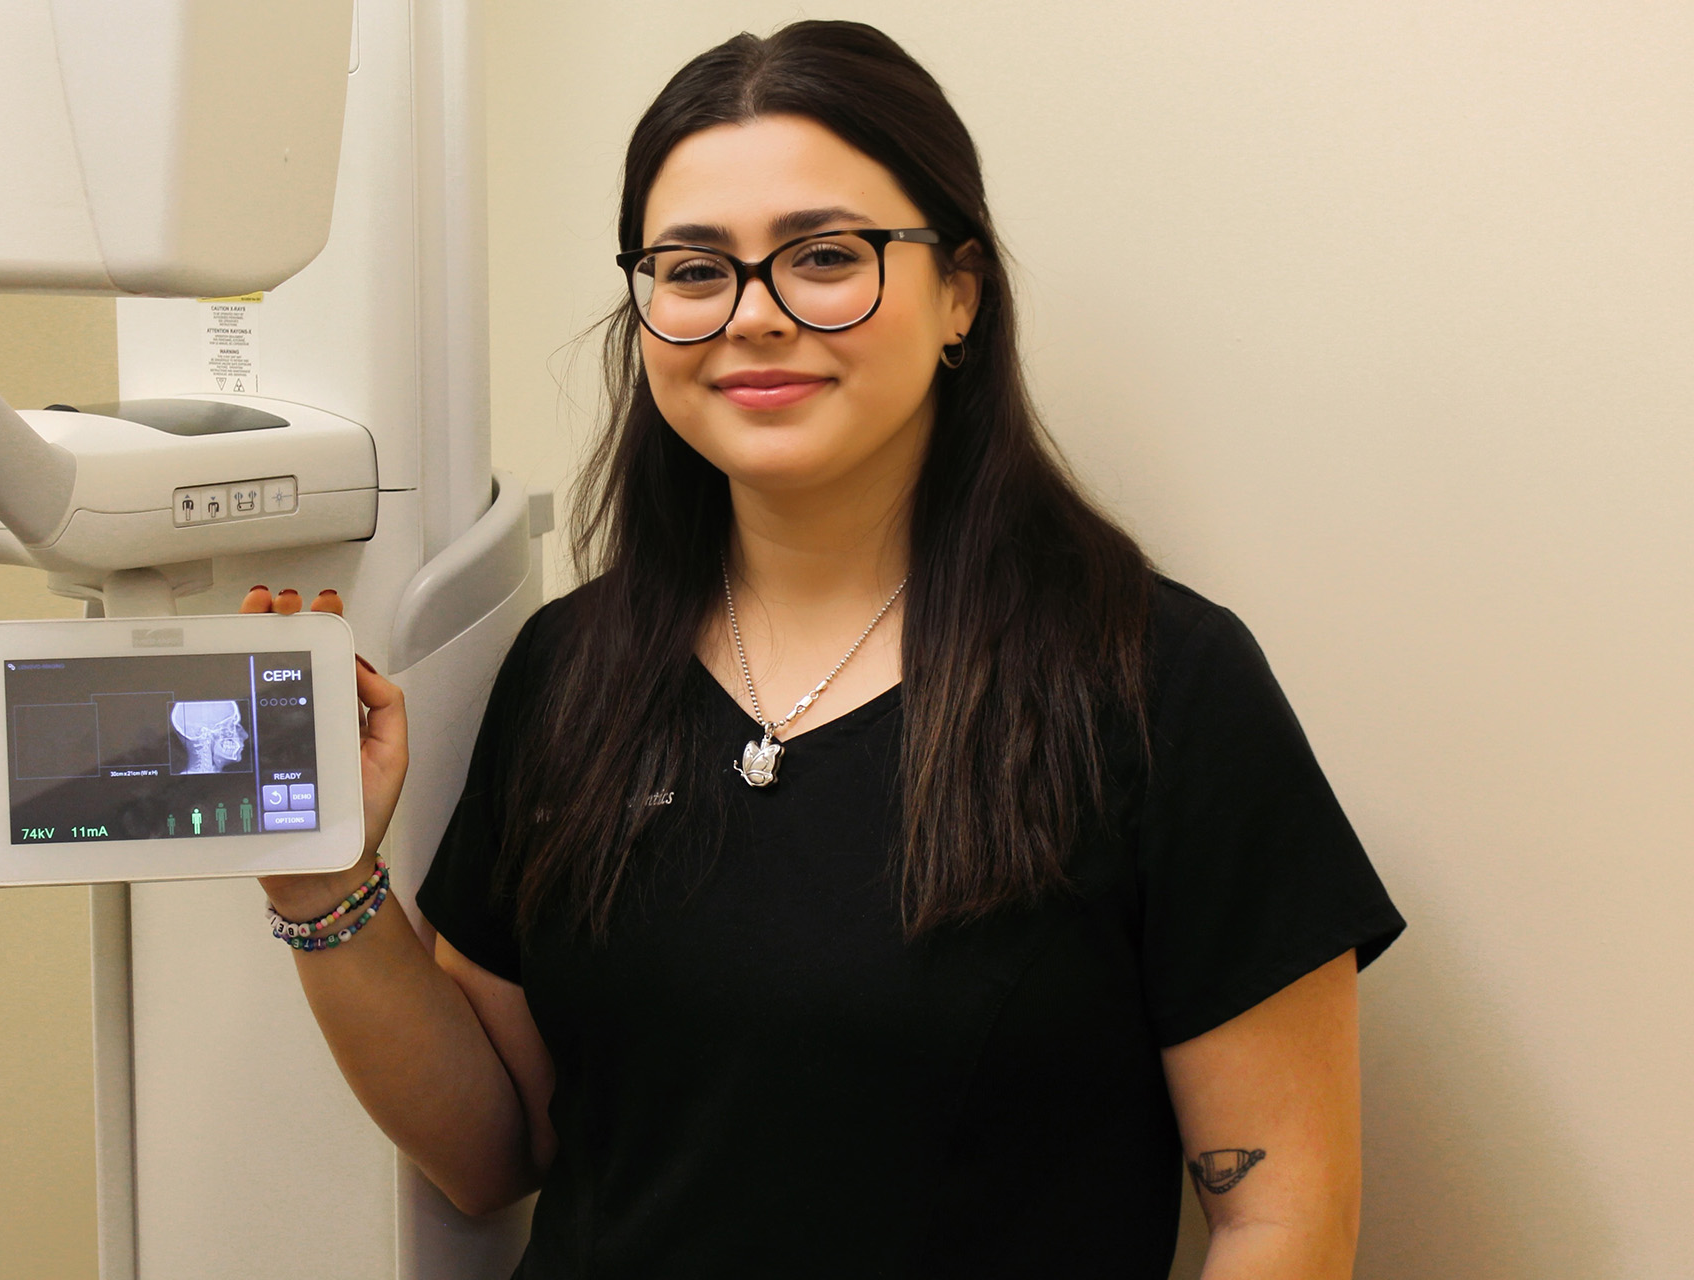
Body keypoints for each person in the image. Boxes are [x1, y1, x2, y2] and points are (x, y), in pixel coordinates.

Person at [248, 20, 1405, 1279]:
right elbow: (493, 1149)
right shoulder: (572, 671)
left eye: (825, 257)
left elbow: (1281, 1213)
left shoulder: (1156, 686)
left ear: (960, 290)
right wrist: (327, 878)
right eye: (694, 270)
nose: (754, 316)